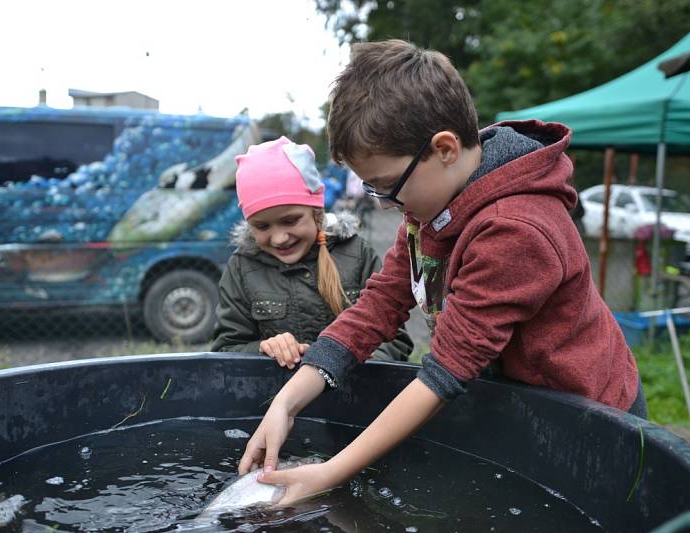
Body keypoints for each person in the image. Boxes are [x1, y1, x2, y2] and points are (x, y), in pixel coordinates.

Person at [238, 40, 646, 504]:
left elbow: (446, 372)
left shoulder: (516, 231)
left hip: (589, 421)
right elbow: (378, 307)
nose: (388, 203)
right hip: (516, 400)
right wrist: (286, 402)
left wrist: (331, 471)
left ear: (445, 148)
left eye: (388, 187)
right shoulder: (432, 208)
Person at [210, 136, 412, 367]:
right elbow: (226, 348)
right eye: (262, 226)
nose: (279, 238)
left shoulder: (356, 254)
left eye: (291, 221)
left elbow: (394, 340)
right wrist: (263, 348)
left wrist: (362, 361)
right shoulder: (242, 268)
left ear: (316, 212)